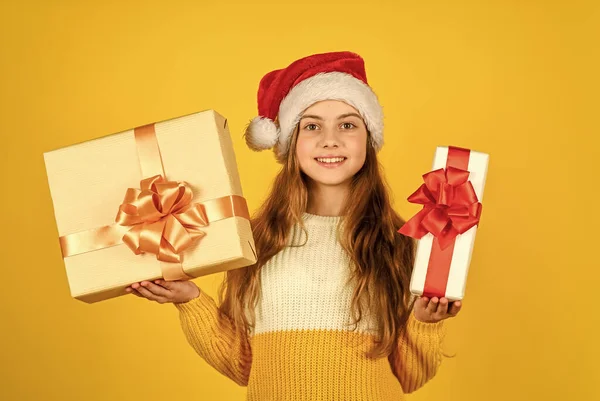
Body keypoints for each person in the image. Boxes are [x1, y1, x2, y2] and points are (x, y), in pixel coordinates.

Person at [125, 51, 462, 400]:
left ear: (369, 139)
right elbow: (242, 365)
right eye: (312, 126)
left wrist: (425, 322)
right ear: (290, 143)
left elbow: (409, 378)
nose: (329, 140)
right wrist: (190, 299)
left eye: (347, 124)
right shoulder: (256, 240)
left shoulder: (402, 244)